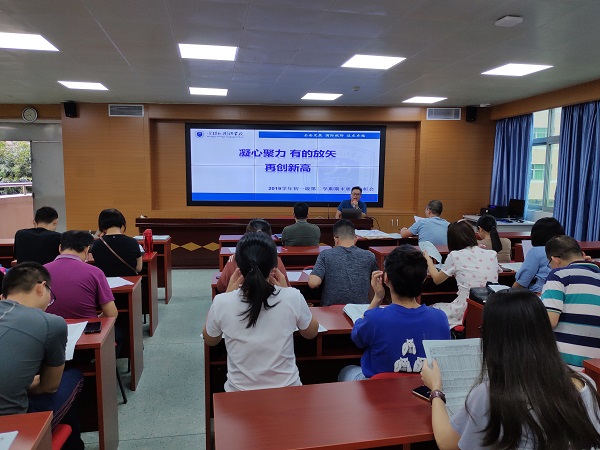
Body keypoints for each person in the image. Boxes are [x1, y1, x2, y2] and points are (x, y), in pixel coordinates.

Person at [421, 288, 600, 449]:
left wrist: (436, 389)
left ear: (495, 339)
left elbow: (446, 442)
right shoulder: (585, 384)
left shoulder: (493, 396)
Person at [203, 232, 320, 392]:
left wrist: (227, 295)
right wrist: (287, 291)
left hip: (239, 393)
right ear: (274, 266)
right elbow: (311, 333)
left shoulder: (222, 302)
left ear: (238, 267)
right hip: (287, 391)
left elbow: (210, 340)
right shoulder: (292, 296)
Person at [0, 262, 85, 450]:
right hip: (12, 426)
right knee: (74, 375)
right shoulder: (51, 323)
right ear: (41, 287)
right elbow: (49, 386)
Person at [338, 245, 450, 381]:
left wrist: (377, 298)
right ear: (424, 279)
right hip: (423, 388)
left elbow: (358, 339)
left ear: (386, 278)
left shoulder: (374, 318)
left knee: (346, 371)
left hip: (378, 390)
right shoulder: (440, 318)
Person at [425, 220, 499, 328]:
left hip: (466, 309)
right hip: (493, 309)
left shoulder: (455, 255)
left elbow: (437, 279)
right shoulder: (491, 254)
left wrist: (428, 261)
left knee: (430, 309)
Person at [542, 235, 600, 371]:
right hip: (594, 369)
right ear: (582, 254)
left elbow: (549, 321)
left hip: (566, 368)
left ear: (555, 260)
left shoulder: (558, 275)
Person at [45, 230, 117, 320]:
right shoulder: (95, 272)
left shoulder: (41, 271)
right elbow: (111, 313)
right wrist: (96, 318)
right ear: (86, 249)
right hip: (88, 327)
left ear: (60, 248)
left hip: (50, 327)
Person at [308, 219, 379, 306]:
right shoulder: (369, 256)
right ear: (355, 239)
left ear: (336, 239)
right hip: (360, 310)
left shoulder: (326, 254)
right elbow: (376, 285)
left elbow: (313, 283)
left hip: (331, 310)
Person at [216, 219, 290, 293]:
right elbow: (286, 286)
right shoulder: (276, 260)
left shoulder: (234, 258)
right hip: (273, 297)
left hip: (238, 297)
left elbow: (221, 287)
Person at [513, 217, 564, 292]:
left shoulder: (536, 252)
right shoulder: (566, 250)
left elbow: (522, 282)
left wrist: (508, 294)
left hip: (539, 293)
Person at [90, 208, 143, 277]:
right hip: (129, 281)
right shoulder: (133, 242)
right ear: (122, 223)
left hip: (105, 282)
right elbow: (139, 268)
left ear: (101, 224)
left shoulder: (96, 244)